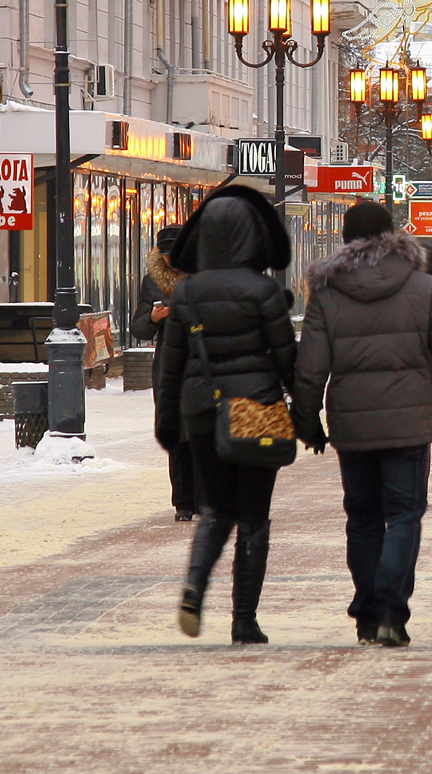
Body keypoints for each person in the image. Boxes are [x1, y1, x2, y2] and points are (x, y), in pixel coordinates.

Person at [292, 201, 432, 649]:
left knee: (363, 520)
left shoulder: (328, 292)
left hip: (352, 426)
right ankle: (392, 609)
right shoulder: (422, 287)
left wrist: (308, 423)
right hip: (408, 423)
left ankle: (368, 614)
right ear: (392, 235)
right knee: (404, 516)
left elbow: (310, 368)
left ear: (345, 241)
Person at [153, 186, 296, 645]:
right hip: (256, 409)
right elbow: (288, 360)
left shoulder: (187, 293)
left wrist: (168, 422)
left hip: (202, 412)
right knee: (253, 519)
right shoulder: (264, 291)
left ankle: (194, 588)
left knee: (215, 510)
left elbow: (171, 366)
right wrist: (308, 415)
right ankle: (244, 619)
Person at [131, 225, 196, 521]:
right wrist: (152, 317)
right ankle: (183, 502)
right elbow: (138, 328)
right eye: (166, 254)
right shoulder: (153, 281)